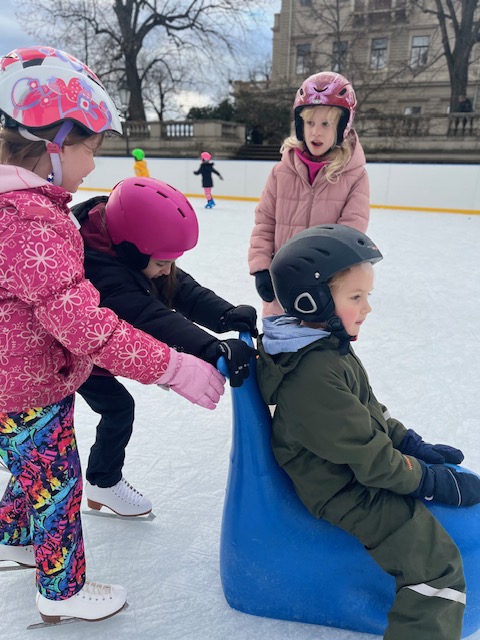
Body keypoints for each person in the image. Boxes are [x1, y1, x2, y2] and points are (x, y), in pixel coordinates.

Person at [0, 46, 226, 625]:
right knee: (57, 485)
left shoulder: (19, 210)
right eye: (89, 151)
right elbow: (88, 326)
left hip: (17, 377)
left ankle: (11, 536)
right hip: (25, 387)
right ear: (52, 144)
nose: (93, 168)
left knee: (31, 469)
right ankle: (62, 590)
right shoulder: (33, 222)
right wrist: (174, 368)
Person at [256, 224, 480, 640]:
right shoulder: (313, 374)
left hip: (348, 470)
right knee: (436, 565)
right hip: (341, 489)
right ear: (313, 301)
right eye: (355, 297)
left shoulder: (325, 348)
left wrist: (411, 444)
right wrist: (429, 483)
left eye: (366, 297)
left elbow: (367, 413)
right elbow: (373, 462)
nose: (367, 308)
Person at [71, 176, 258, 517]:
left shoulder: (122, 237)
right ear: (130, 251)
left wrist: (225, 315)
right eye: (161, 262)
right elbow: (149, 316)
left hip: (94, 347)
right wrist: (212, 348)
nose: (168, 269)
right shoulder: (102, 271)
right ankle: (103, 482)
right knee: (116, 408)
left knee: (114, 408)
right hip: (68, 351)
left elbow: (178, 287)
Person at [248, 72, 370, 318]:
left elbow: (351, 232)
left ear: (343, 127)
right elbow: (265, 222)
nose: (316, 132)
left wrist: (329, 278)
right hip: (281, 285)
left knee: (317, 354)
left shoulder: (355, 175)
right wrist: (261, 267)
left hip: (326, 290)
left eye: (326, 124)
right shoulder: (281, 172)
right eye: (310, 123)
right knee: (278, 352)